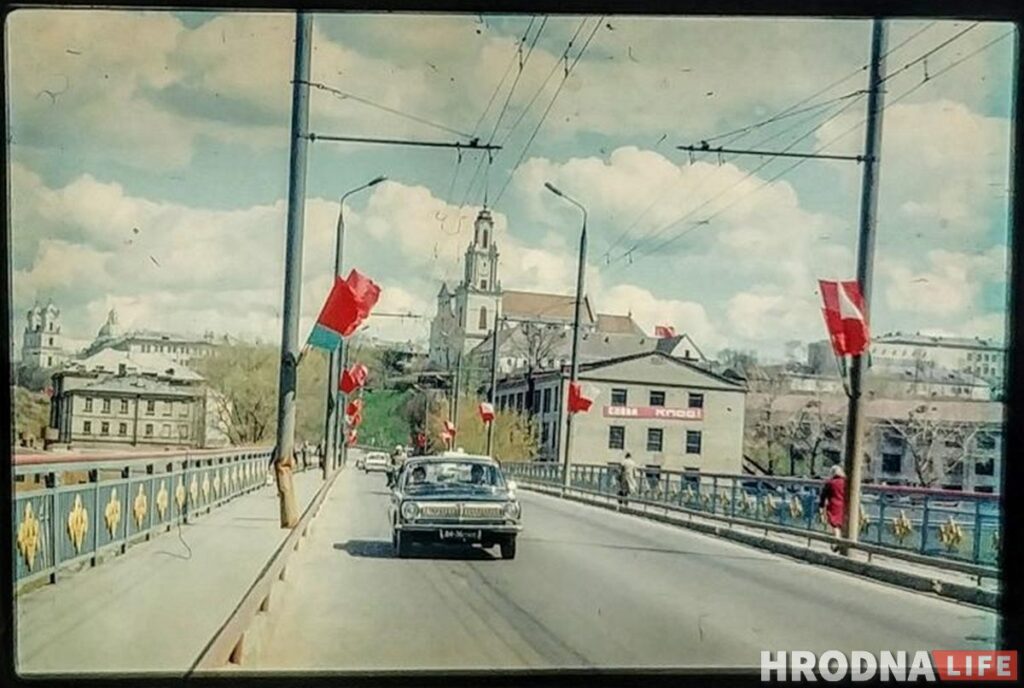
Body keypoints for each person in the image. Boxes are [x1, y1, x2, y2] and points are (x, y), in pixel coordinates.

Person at [819, 464, 847, 551]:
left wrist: (821, 505)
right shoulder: (845, 482)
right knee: (840, 524)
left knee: (834, 524)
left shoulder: (830, 483)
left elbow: (823, 495)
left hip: (833, 505)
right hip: (844, 505)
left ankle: (837, 541)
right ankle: (840, 540)